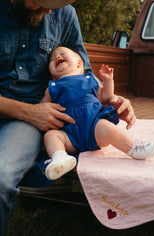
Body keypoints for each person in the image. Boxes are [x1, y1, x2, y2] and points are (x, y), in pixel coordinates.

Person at [0, 0, 136, 234]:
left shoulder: (65, 15)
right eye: (42, 2)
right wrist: (28, 111)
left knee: (1, 176)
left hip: (28, 122)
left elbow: (80, 74)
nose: (51, 10)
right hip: (28, 113)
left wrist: (112, 99)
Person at [41, 46, 154, 180]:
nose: (57, 57)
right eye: (52, 59)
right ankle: (60, 157)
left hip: (94, 127)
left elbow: (106, 97)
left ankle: (134, 148)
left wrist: (108, 80)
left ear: (79, 63)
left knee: (108, 128)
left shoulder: (89, 79)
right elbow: (43, 108)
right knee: (51, 136)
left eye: (62, 54)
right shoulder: (52, 87)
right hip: (69, 134)